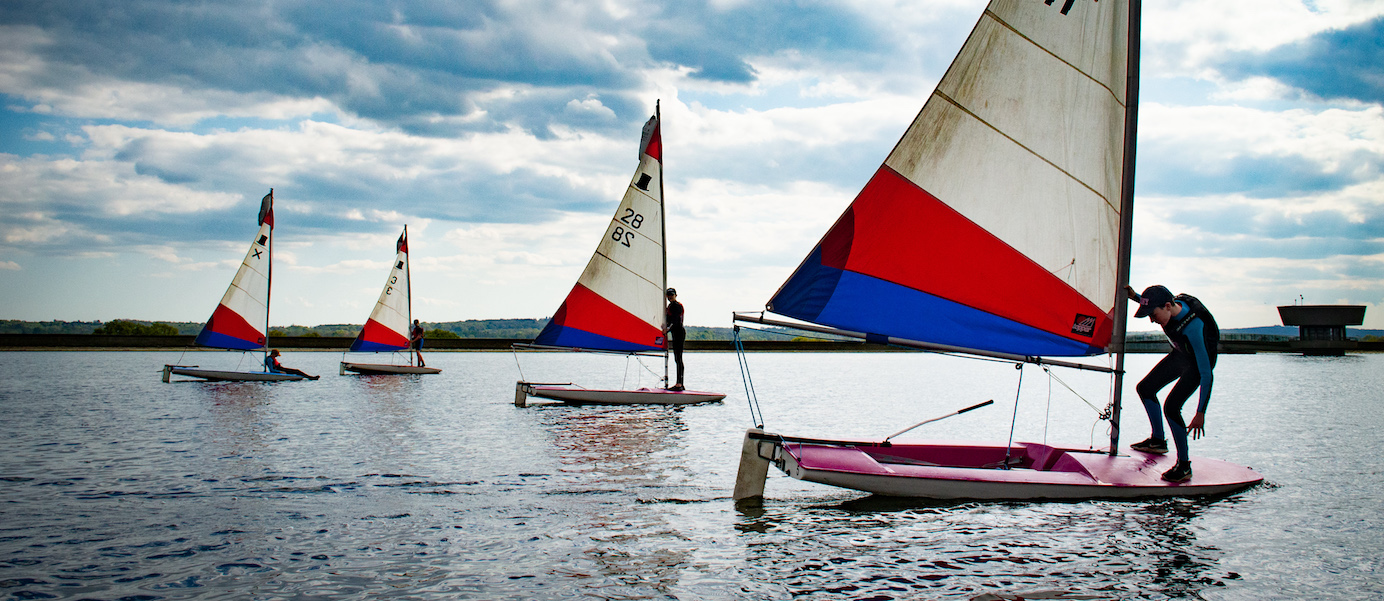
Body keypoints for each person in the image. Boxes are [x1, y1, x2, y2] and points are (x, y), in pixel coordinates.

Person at [1125, 284, 1219, 482]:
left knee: (1172, 407)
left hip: (1198, 364)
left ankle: (1184, 466)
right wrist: (1135, 297)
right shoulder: (1167, 306)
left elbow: (1206, 374)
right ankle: (1158, 441)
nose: (1152, 320)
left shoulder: (1193, 327)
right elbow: (1155, 303)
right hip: (1181, 354)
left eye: (1153, 315)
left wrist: (1200, 412)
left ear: (1168, 306)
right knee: (1145, 388)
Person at [664, 287, 686, 391]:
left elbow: (676, 321)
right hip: (675, 333)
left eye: (671, 295)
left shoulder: (676, 306)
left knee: (678, 358)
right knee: (677, 358)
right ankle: (679, 383)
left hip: (679, 332)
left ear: (675, 295)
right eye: (668, 295)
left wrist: (667, 329)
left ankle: (679, 384)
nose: (670, 297)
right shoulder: (670, 306)